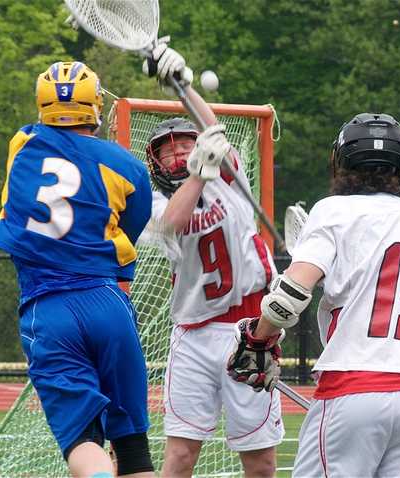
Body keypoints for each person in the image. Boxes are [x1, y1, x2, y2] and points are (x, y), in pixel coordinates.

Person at [228, 113, 400, 476]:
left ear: (341, 159)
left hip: (356, 386)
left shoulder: (333, 211)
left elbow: (289, 296)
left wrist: (258, 339)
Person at [0, 61, 155, 478]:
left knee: (83, 441)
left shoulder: (22, 144)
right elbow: (129, 227)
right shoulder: (129, 168)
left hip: (48, 309)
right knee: (134, 450)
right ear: (96, 105)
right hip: (108, 304)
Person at [142, 42, 283, 477]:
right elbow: (174, 224)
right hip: (194, 334)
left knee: (259, 460)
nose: (179, 153)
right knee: (181, 455)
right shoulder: (151, 206)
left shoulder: (228, 176)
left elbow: (212, 126)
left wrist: (180, 81)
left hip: (249, 327)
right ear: (155, 161)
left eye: (185, 144)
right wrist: (197, 172)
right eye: (168, 149)